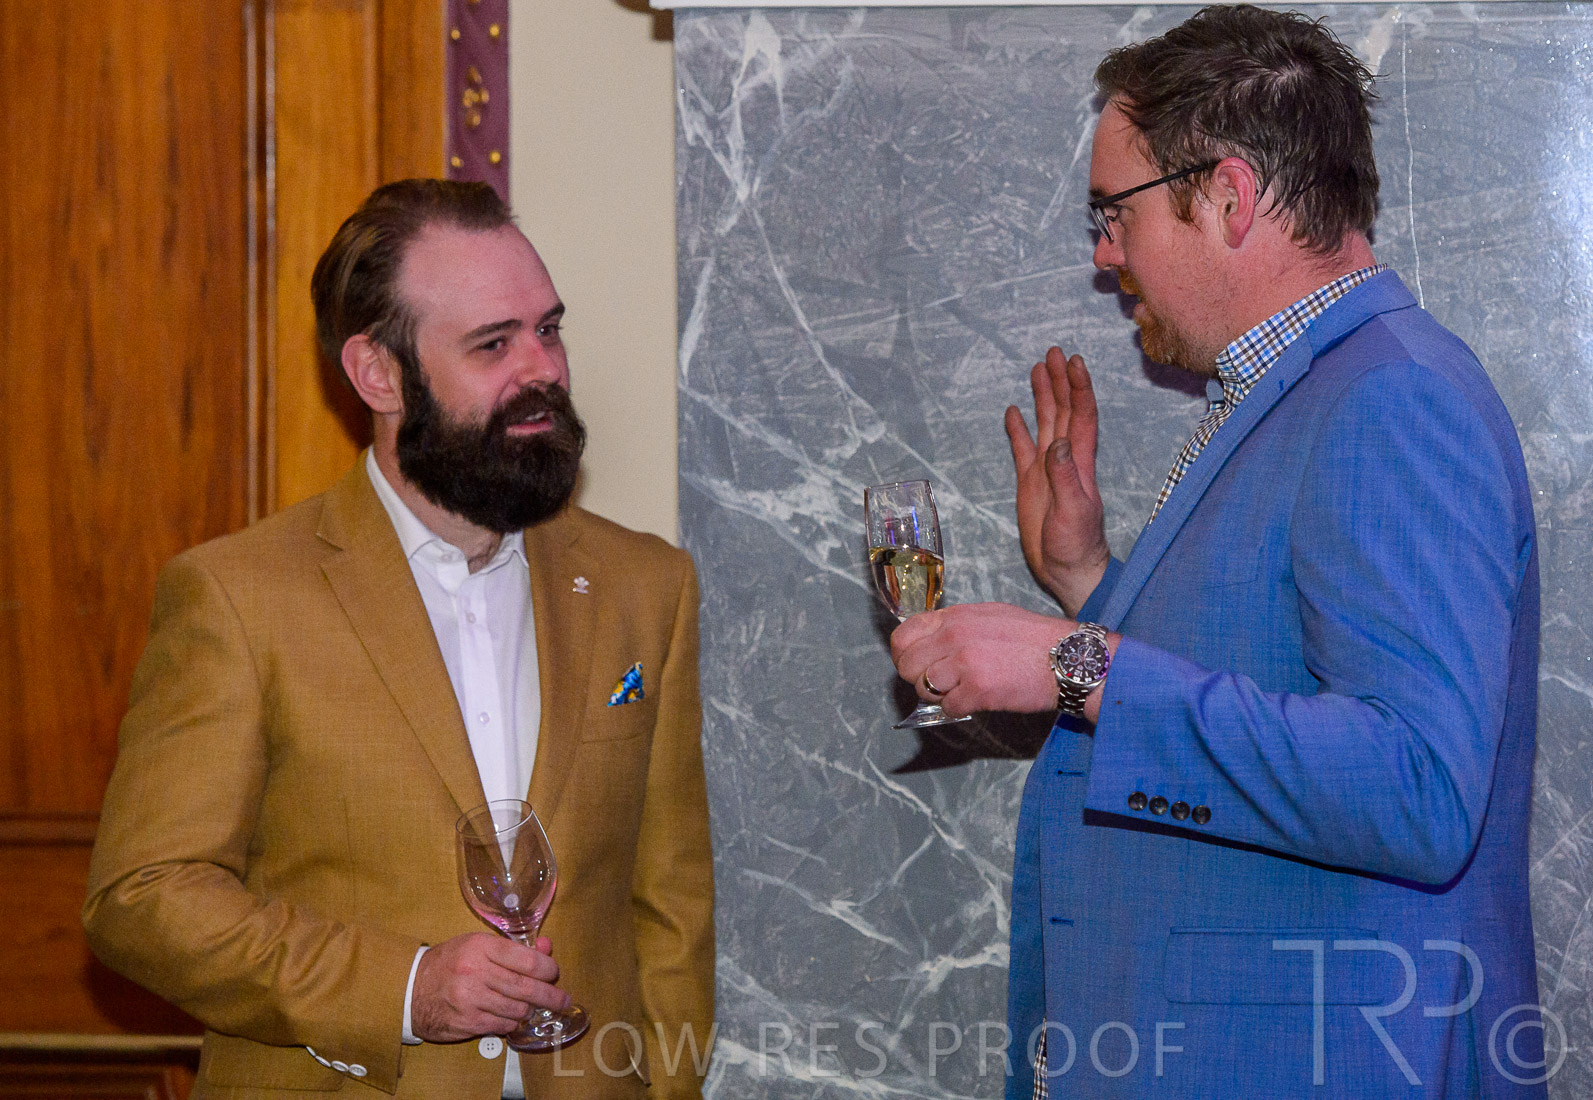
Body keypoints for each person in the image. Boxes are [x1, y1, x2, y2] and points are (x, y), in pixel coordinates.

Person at [890, 7, 1543, 1096]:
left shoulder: (1393, 399)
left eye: (1115, 212)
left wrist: (1069, 663)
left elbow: (1417, 786)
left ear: (1230, 197)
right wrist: (1087, 579)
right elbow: (1269, 681)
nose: (1104, 254)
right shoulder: (1303, 388)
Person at [83, 179, 715, 1099]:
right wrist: (404, 989)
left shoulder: (645, 587)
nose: (541, 369)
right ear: (378, 374)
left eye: (548, 329)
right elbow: (142, 898)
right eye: (493, 344)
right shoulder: (237, 598)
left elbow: (672, 906)